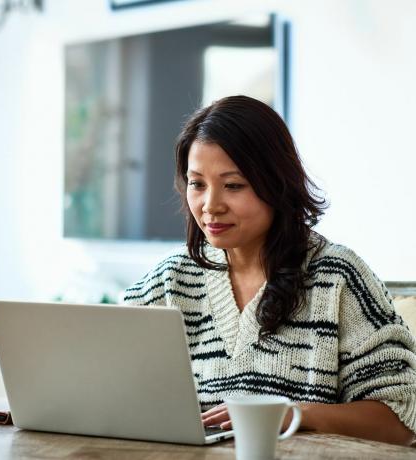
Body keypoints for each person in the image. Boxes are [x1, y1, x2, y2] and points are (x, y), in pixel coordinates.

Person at [123, 95, 416, 445]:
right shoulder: (170, 281)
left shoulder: (338, 277)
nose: (210, 205)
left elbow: (401, 416)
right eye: (197, 183)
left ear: (276, 184)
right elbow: (110, 385)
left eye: (233, 185)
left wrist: (292, 414)